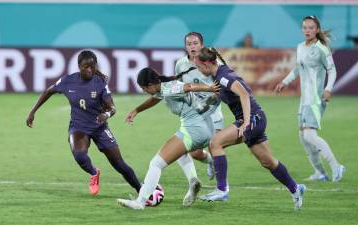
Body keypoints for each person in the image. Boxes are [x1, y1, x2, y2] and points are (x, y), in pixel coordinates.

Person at [193, 47, 306, 210]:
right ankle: (296, 189)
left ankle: (222, 189)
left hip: (252, 119)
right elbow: (220, 95)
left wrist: (246, 122)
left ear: (206, 63)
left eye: (198, 66)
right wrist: (205, 104)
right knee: (268, 162)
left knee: (215, 143)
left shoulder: (224, 76)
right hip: (256, 119)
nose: (198, 69)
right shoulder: (218, 77)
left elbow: (244, 94)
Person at [26, 50, 142, 196]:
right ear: (79, 66)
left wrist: (106, 114)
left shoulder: (100, 83)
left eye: (92, 66)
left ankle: (142, 190)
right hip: (78, 127)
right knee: (80, 156)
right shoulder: (68, 81)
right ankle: (94, 173)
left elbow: (112, 108)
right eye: (85, 67)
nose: (89, 70)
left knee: (119, 164)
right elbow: (49, 91)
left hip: (99, 127)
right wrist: (32, 112)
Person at [117, 67, 220, 210]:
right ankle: (196, 178)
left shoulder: (171, 88)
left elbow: (189, 87)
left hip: (194, 129)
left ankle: (140, 202)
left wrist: (209, 88)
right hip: (205, 127)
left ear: (151, 85)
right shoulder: (162, 88)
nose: (143, 91)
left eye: (144, 88)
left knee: (156, 163)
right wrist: (137, 110)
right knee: (181, 153)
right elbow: (156, 98)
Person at [274, 16, 345, 182]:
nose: (307, 30)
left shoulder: (322, 48)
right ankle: (320, 172)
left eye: (311, 27)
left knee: (310, 135)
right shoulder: (300, 47)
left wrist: (328, 89)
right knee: (303, 137)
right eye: (305, 27)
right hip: (304, 100)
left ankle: (336, 166)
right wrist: (284, 82)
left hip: (316, 98)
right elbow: (298, 68)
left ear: (317, 30)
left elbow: (332, 70)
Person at [175, 31, 225, 181]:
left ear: (201, 45)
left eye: (195, 43)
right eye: (189, 44)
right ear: (185, 47)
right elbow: (181, 86)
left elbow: (224, 82)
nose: (192, 47)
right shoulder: (181, 64)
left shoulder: (212, 61)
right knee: (194, 153)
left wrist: (217, 96)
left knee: (215, 146)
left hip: (213, 112)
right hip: (194, 115)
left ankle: (222, 188)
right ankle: (210, 162)